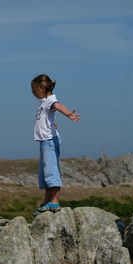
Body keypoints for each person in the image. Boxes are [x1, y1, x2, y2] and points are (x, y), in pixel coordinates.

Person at [31, 74, 80, 216]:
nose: (33, 92)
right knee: (45, 172)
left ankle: (55, 201)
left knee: (51, 170)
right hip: (44, 141)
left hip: (49, 141)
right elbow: (48, 117)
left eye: (34, 89)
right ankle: (47, 201)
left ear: (41, 87)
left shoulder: (50, 100)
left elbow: (58, 106)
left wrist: (68, 114)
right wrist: (52, 124)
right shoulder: (44, 102)